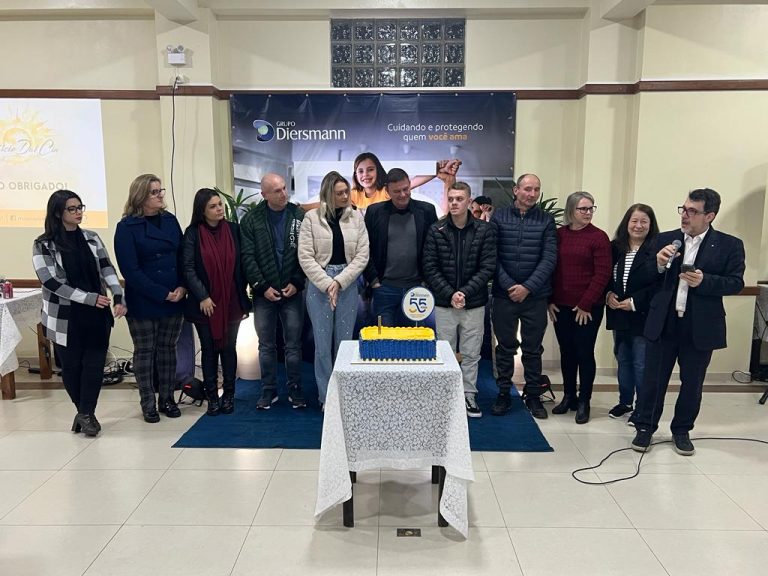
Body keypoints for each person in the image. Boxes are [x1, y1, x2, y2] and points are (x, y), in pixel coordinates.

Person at [631, 188, 745, 455]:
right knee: (653, 380)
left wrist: (705, 281)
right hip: (664, 322)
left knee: (692, 383)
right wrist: (658, 264)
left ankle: (681, 430)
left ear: (710, 216)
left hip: (700, 325)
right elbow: (640, 276)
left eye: (693, 211)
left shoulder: (729, 244)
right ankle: (645, 427)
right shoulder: (664, 239)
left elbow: (736, 283)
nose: (685, 215)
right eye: (683, 209)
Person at [32, 190, 126, 436]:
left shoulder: (91, 238)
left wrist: (118, 294)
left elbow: (107, 268)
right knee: (72, 368)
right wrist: (88, 298)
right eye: (71, 209)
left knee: (94, 366)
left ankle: (86, 414)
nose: (78, 213)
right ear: (57, 213)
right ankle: (84, 413)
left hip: (97, 314)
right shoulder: (43, 244)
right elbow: (50, 281)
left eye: (80, 207)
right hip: (65, 317)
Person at [114, 174, 186, 423]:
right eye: (154, 192)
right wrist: (161, 293)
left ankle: (167, 398)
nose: (160, 196)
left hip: (174, 297)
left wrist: (182, 286)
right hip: (144, 299)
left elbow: (182, 257)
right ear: (140, 196)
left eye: (160, 191)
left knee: (168, 350)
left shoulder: (170, 220)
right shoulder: (127, 227)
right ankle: (148, 403)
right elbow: (130, 270)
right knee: (145, 352)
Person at [423, 182, 496, 417]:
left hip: (473, 303)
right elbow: (430, 267)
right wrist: (450, 294)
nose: (454, 203)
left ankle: (468, 395)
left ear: (469, 201)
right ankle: (446, 396)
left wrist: (464, 292)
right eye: (451, 198)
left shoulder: (484, 230)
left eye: (459, 199)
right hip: (445, 303)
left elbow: (488, 267)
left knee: (471, 353)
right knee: (444, 352)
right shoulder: (436, 229)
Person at [298, 171, 369, 409]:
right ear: (328, 194)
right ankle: (326, 397)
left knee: (344, 343)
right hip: (320, 284)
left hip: (346, 284)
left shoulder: (356, 217)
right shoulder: (311, 218)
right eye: (340, 193)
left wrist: (339, 282)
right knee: (322, 345)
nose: (346, 196)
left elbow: (362, 256)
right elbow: (305, 257)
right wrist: (327, 283)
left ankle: (343, 393)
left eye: (346, 191)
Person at [490, 173, 557, 419]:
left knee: (532, 349)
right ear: (516, 190)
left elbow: (549, 258)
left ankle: (534, 395)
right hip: (504, 295)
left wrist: (527, 287)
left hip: (535, 297)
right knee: (505, 348)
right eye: (527, 189)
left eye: (536, 189)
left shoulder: (546, 220)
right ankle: (503, 393)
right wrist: (510, 286)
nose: (532, 194)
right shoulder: (499, 217)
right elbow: (492, 255)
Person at [240, 173, 307, 410]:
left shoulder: (298, 216)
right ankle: (268, 390)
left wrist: (297, 282)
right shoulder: (251, 220)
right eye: (277, 191)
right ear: (264, 195)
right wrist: (261, 286)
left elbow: (306, 254)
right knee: (266, 345)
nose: (283, 194)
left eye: (284, 188)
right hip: (263, 294)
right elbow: (247, 257)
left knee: (293, 345)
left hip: (292, 291)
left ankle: (295, 388)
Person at [182, 188, 250, 416]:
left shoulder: (234, 230)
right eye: (213, 206)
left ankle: (229, 395)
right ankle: (212, 397)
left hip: (231, 301)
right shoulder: (192, 233)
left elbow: (243, 264)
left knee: (229, 348)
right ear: (202, 211)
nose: (219, 209)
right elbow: (188, 268)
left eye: (220, 204)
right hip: (205, 304)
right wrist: (203, 296)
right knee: (209, 350)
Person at [548, 191, 612, 424]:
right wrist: (549, 300)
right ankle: (569, 396)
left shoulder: (599, 237)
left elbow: (602, 274)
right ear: (571, 210)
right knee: (567, 352)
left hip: (588, 308)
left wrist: (585, 304)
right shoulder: (559, 235)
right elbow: (551, 269)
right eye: (582, 209)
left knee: (584, 353)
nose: (587, 213)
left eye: (590, 208)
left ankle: (584, 401)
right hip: (560, 306)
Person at [363, 168, 438, 327]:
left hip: (417, 289)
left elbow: (435, 248)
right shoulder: (374, 212)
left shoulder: (427, 210)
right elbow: (364, 249)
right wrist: (374, 281)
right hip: (384, 288)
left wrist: (427, 281)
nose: (403, 194)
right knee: (383, 339)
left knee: (415, 338)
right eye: (397, 191)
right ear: (387, 191)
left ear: (410, 185)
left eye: (406, 189)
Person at [605, 204, 659, 420]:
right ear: (626, 223)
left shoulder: (656, 249)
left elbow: (659, 284)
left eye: (644, 221)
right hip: (619, 314)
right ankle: (625, 402)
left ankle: (642, 408)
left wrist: (635, 302)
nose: (638, 225)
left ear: (650, 225)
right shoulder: (615, 247)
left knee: (641, 364)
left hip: (643, 315)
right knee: (623, 361)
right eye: (634, 221)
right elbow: (605, 275)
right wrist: (608, 293)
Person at [350, 151, 460, 214]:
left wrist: (437, 168)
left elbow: (414, 182)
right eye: (360, 171)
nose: (365, 174)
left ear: (378, 170)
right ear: (355, 175)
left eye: (370, 170)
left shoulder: (386, 191)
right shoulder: (353, 195)